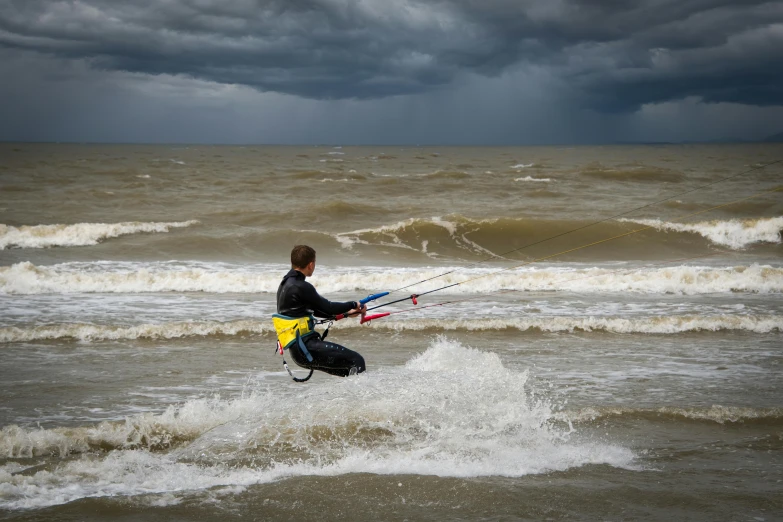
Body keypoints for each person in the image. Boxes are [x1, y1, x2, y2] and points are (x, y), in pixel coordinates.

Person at [274, 245, 366, 377]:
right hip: (307, 348)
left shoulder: (285, 285)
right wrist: (354, 304)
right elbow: (329, 307)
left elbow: (319, 311)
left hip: (298, 352)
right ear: (310, 265)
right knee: (357, 361)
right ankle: (363, 397)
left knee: (348, 371)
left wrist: (347, 313)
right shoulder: (301, 286)